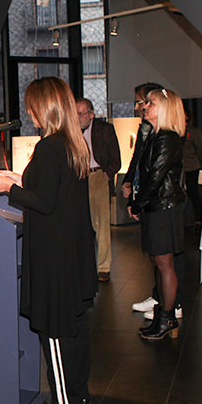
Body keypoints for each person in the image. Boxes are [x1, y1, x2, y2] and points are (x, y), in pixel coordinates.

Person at [0, 76, 96, 404]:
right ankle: (76, 394)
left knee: (54, 328)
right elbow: (55, 192)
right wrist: (19, 180)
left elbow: (45, 203)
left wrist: (7, 189)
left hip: (53, 253)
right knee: (73, 328)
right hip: (71, 251)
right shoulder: (71, 144)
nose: (28, 110)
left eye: (31, 104)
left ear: (43, 107)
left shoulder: (50, 146)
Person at [128, 88, 187, 340]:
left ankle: (167, 318)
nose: (145, 106)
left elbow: (154, 177)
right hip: (157, 206)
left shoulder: (166, 138)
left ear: (165, 109)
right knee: (158, 263)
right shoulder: (155, 136)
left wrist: (137, 203)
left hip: (163, 208)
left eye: (151, 103)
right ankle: (164, 314)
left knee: (164, 264)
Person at [75, 98, 121, 282]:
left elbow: (116, 159)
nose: (77, 118)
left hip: (99, 176)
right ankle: (82, 266)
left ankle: (103, 267)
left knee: (102, 224)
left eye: (81, 114)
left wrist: (106, 175)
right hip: (79, 178)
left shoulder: (105, 129)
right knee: (81, 224)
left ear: (91, 114)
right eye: (75, 113)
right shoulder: (71, 131)